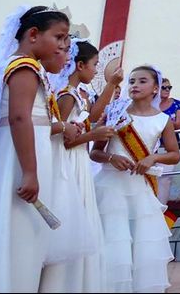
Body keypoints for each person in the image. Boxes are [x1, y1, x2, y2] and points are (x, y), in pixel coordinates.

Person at [0, 6, 72, 292]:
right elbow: (19, 117)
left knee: (25, 235)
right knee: (19, 234)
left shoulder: (27, 65)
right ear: (33, 34)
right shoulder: (24, 66)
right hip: (20, 159)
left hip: (26, 154)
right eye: (59, 36)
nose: (63, 45)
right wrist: (29, 171)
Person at [92, 64, 180, 292]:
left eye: (142, 81)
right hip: (111, 188)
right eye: (132, 81)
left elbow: (174, 154)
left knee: (141, 248)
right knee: (113, 245)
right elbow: (95, 151)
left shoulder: (162, 119)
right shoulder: (115, 112)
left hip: (140, 190)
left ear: (155, 88)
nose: (135, 85)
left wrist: (152, 158)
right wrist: (111, 157)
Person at [43, 40, 120, 292]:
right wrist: (92, 136)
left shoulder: (79, 94)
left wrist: (112, 85)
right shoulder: (65, 95)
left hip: (79, 161)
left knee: (84, 218)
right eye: (94, 64)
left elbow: (95, 115)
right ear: (79, 65)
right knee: (73, 217)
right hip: (69, 162)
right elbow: (62, 141)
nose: (96, 70)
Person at [156, 77, 180, 208]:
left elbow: (178, 124)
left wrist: (159, 121)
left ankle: (162, 208)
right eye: (164, 87)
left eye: (169, 87)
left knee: (165, 179)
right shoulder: (150, 104)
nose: (167, 90)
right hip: (152, 146)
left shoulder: (177, 104)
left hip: (169, 147)